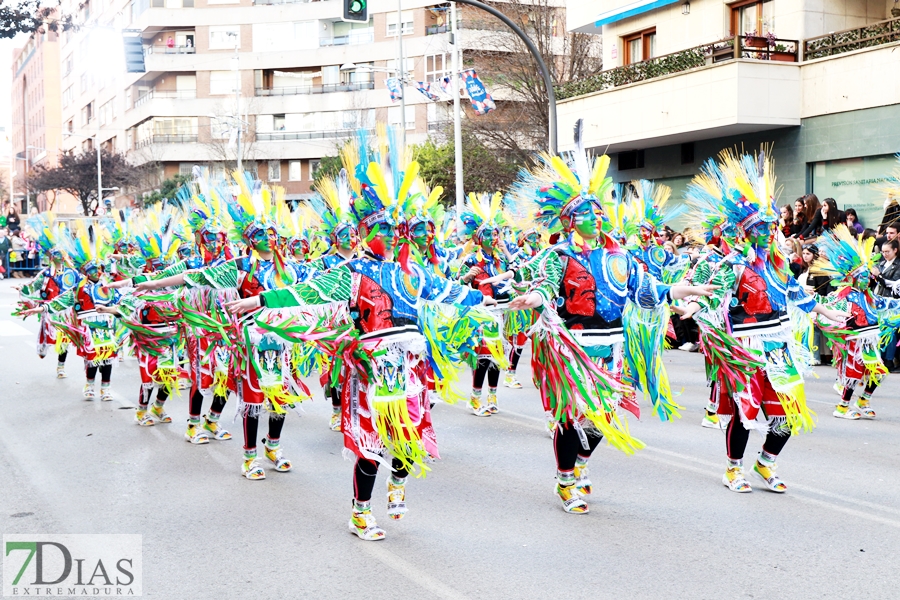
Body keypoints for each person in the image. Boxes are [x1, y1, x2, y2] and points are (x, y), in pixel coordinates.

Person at [504, 121, 715, 514]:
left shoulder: (620, 256)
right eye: (587, 213)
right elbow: (545, 288)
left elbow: (648, 291)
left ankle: (579, 464)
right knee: (572, 415)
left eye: (599, 211)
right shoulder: (558, 255)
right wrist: (531, 298)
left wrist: (688, 291)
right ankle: (566, 480)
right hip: (573, 347)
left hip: (613, 346)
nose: (597, 218)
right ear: (569, 220)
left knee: (602, 416)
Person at [682, 148, 848, 494]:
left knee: (787, 412)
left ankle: (766, 462)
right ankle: (733, 469)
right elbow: (715, 297)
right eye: (764, 227)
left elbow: (798, 296)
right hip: (745, 345)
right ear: (748, 231)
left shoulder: (777, 265)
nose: (771, 231)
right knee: (746, 411)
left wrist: (830, 313)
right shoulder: (733, 264)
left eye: (773, 226)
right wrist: (696, 307)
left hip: (778, 345)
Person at [812, 226, 900, 419]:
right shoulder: (844, 295)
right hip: (854, 341)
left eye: (867, 277)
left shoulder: (868, 295)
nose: (866, 280)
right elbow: (826, 307)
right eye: (862, 277)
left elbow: (888, 303)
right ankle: (842, 408)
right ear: (852, 278)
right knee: (853, 376)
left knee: (879, 372)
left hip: (869, 341)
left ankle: (863, 400)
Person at [873, 238, 900, 372]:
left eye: (887, 251)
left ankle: (889, 359)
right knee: (879, 330)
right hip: (878, 300)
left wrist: (879, 277)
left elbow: (895, 285)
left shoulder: (899, 265)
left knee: (890, 331)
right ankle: (880, 357)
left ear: (895, 250)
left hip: (892, 303)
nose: (885, 254)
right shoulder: (881, 263)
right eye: (883, 252)